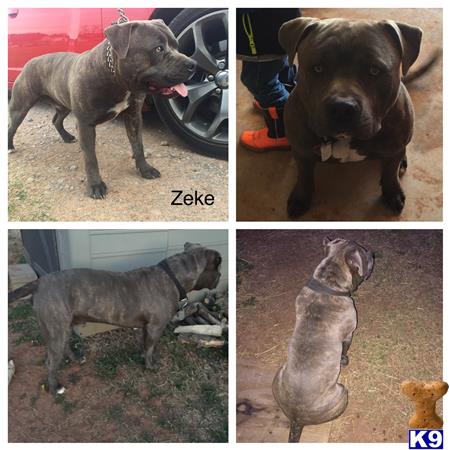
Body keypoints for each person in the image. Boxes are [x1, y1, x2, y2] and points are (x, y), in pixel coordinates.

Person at [237, 8, 300, 151]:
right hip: (279, 28)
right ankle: (292, 105)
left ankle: (280, 134)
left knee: (260, 83)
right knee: (280, 66)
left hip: (260, 35)